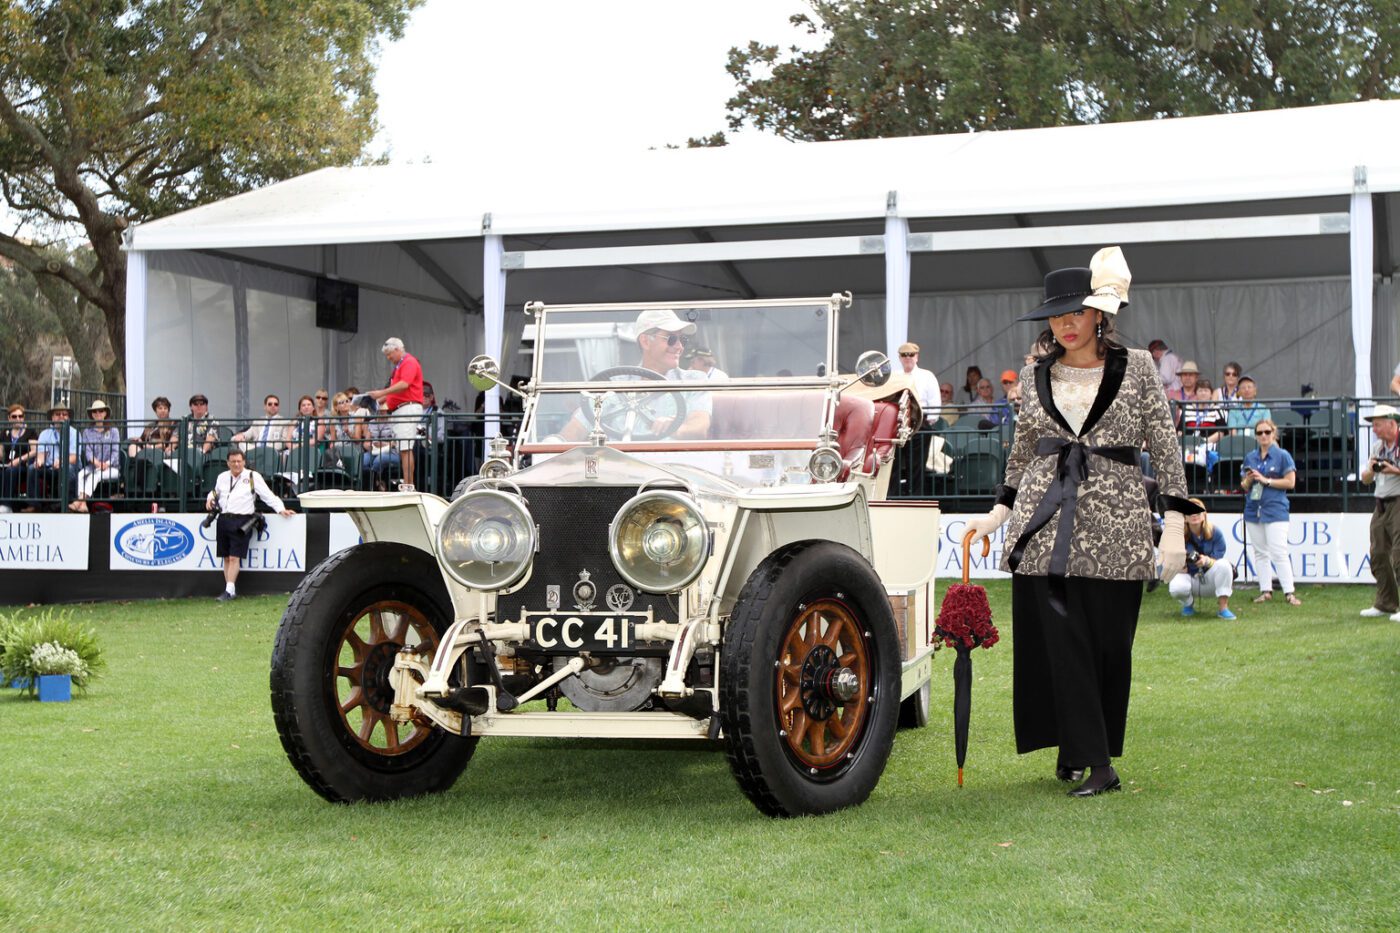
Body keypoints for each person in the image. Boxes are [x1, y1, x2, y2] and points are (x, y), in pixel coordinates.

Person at [964, 246, 1200, 798]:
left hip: (1116, 527)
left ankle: (1085, 747)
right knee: (1057, 643)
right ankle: (1093, 762)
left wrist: (1173, 524)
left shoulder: (1138, 366)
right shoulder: (1033, 373)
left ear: (1100, 313)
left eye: (1077, 312)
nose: (1066, 324)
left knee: (1110, 644)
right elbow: (1022, 455)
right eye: (1057, 314)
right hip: (1044, 529)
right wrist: (999, 513)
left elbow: (1164, 449)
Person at [561, 308, 712, 441]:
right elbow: (577, 428)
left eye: (683, 339)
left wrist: (676, 428)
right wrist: (554, 444)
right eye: (671, 339)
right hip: (619, 468)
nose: (679, 346)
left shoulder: (694, 381)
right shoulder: (615, 383)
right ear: (646, 341)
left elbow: (699, 427)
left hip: (670, 469)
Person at [205, 448, 293, 601]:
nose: (236, 464)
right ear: (228, 463)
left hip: (242, 520)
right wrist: (209, 498)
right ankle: (229, 590)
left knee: (234, 557)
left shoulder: (253, 476)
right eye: (233, 462)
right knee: (226, 557)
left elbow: (268, 496)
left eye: (239, 461)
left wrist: (281, 509)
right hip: (224, 518)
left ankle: (229, 590)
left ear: (244, 462)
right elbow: (215, 492)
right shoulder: (222, 477)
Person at [1240, 418, 1301, 605]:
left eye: (1267, 432)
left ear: (1273, 433)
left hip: (1275, 508)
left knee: (1279, 551)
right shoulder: (1251, 457)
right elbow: (1243, 485)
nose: (1263, 436)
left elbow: (1290, 482)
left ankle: (1289, 592)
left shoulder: (1283, 455)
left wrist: (1266, 480)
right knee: (1260, 553)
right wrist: (1251, 479)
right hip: (1253, 508)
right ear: (1256, 436)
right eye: (1259, 433)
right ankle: (1265, 590)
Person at [366, 337, 424, 492]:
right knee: (404, 449)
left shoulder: (409, 362)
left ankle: (408, 485)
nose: (388, 358)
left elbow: (404, 384)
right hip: (401, 409)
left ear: (398, 349)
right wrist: (377, 398)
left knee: (405, 448)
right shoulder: (400, 365)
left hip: (407, 408)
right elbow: (397, 390)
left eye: (389, 354)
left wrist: (382, 393)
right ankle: (408, 484)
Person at [1359, 404, 1400, 621]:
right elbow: (1366, 479)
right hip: (1381, 503)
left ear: (1392, 423)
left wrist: (1394, 470)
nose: (1374, 429)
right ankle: (1386, 603)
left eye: (1377, 425)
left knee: (1399, 554)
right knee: (1378, 553)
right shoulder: (1377, 448)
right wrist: (1370, 469)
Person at [1168, 498, 1237, 620]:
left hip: (1210, 578)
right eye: (1190, 513)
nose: (1194, 515)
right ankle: (1188, 604)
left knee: (1225, 565)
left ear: (1204, 515)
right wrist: (1179, 567)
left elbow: (1218, 559)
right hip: (1190, 577)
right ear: (1185, 518)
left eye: (1198, 512)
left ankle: (1223, 608)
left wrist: (1207, 561)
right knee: (1176, 587)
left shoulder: (1216, 532)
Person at [70, 399, 121, 512]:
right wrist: (97, 463)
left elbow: (115, 452)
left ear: (105, 413)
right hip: (93, 466)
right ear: (92, 415)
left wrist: (106, 464)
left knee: (95, 476)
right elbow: (88, 452)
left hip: (112, 468)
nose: (98, 413)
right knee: (80, 475)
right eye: (95, 411)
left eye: (101, 411)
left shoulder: (114, 431)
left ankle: (80, 501)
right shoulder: (87, 432)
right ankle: (83, 505)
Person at [28, 400, 79, 510]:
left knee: (68, 468)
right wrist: (39, 461)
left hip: (68, 465)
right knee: (32, 468)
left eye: (64, 414)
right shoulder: (45, 434)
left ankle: (65, 504)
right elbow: (41, 454)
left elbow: (74, 458)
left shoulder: (74, 433)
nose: (61, 417)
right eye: (57, 414)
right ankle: (34, 505)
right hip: (49, 467)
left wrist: (62, 461)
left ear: (68, 418)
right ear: (52, 417)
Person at [128, 395, 180, 473]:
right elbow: (143, 440)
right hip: (146, 451)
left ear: (168, 410)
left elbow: (168, 444)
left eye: (165, 408)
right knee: (132, 446)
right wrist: (138, 440)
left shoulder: (173, 423)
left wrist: (152, 447)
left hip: (160, 451)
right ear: (155, 410)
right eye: (160, 408)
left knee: (144, 456)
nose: (163, 410)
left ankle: (139, 472)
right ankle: (136, 467)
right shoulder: (151, 425)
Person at [2, 404, 37, 508]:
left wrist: (18, 460)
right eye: (14, 416)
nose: (18, 419)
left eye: (20, 416)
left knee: (11, 471)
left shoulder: (30, 432)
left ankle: (6, 505)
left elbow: (34, 451)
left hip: (23, 466)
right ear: (9, 418)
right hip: (7, 464)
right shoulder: (5, 433)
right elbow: (0, 452)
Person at [897, 342, 940, 425]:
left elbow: (934, 401)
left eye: (911, 354)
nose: (907, 357)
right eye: (904, 355)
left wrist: (928, 423)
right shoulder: (895, 376)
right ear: (899, 358)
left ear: (916, 357)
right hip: (899, 421)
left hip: (921, 421)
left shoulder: (927, 376)